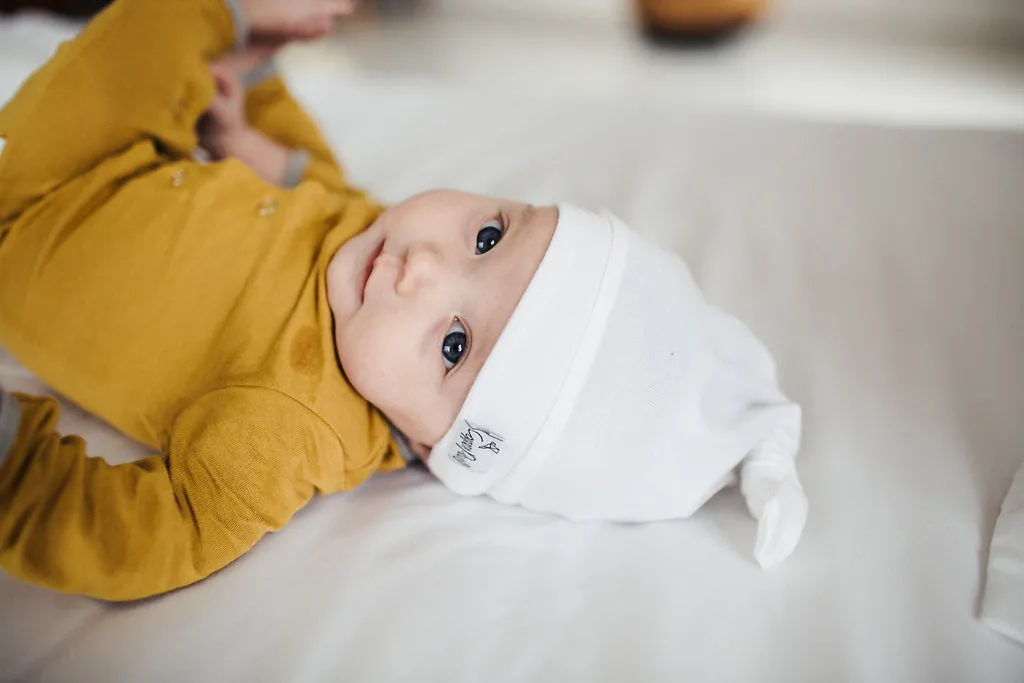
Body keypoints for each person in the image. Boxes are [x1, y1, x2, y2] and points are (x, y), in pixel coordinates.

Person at [0, 0, 808, 602]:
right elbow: (325, 188)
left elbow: (148, 539)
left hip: (36, 223)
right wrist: (251, 128)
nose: (424, 264)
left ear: (431, 448)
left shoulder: (289, 432)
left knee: (155, 30)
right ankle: (247, 33)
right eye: (488, 237)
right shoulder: (377, 263)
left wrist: (16, 464)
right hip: (131, 162)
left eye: (455, 346)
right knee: (183, 62)